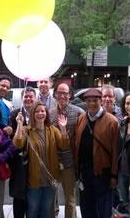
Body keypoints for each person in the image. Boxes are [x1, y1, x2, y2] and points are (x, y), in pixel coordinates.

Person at [14, 102, 69, 218]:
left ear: (46, 114)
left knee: (46, 210)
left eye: (43, 111)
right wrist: (19, 125)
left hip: (50, 179)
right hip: (33, 180)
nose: (40, 114)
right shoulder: (26, 129)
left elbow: (64, 145)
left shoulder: (53, 130)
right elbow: (18, 144)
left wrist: (63, 129)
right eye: (37, 111)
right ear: (33, 114)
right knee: (33, 210)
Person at [74, 88, 119, 218]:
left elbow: (115, 151)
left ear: (101, 101)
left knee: (103, 208)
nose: (92, 104)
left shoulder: (112, 121)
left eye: (95, 100)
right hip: (85, 171)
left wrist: (114, 175)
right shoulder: (81, 119)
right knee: (86, 206)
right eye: (89, 101)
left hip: (103, 172)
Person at [49, 82, 84, 218]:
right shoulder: (49, 113)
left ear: (70, 95)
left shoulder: (79, 113)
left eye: (65, 93)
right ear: (55, 94)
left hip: (69, 162)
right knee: (50, 198)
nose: (62, 96)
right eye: (59, 93)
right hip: (52, 162)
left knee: (70, 198)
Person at [7, 86, 36, 218]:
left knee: (33, 193)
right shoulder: (14, 115)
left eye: (31, 97)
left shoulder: (39, 114)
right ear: (22, 98)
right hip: (18, 160)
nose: (28, 99)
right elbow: (10, 139)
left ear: (35, 99)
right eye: (26, 97)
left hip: (35, 160)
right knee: (18, 193)